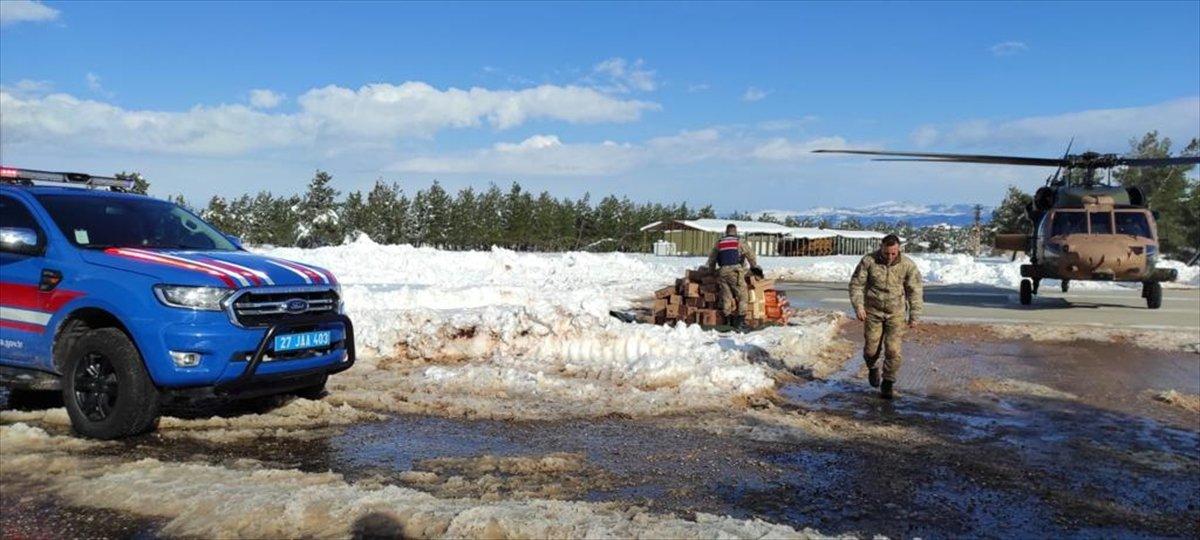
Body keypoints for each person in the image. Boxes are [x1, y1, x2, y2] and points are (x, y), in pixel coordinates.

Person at [848, 234, 923, 399]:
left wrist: (914, 314)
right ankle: (873, 367)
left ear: (898, 250)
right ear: (881, 248)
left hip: (896, 313)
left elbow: (915, 290)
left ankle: (888, 382)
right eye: (887, 253)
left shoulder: (907, 265)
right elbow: (856, 285)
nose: (890, 257)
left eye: (894, 253)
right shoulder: (869, 261)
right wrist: (859, 306)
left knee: (893, 350)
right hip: (872, 312)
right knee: (870, 350)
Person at [706, 224, 762, 329]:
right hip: (735, 271)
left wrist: (711, 272)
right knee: (743, 295)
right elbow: (751, 255)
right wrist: (754, 267)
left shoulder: (719, 242)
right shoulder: (739, 241)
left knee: (726, 296)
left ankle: (727, 320)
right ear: (735, 231)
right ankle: (740, 321)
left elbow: (712, 259)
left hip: (722, 272)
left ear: (726, 231)